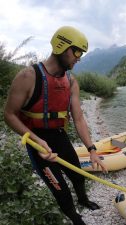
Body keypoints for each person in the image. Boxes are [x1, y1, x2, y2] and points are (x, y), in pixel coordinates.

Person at [4, 26, 107, 225]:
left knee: (78, 175)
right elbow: (9, 114)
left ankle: (84, 200)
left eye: (81, 53)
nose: (79, 57)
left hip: (59, 136)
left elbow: (78, 119)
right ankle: (76, 219)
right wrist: (35, 140)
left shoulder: (71, 81)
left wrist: (92, 149)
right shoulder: (27, 77)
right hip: (37, 143)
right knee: (60, 189)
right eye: (77, 51)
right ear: (62, 47)